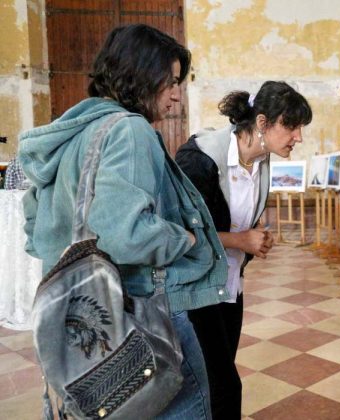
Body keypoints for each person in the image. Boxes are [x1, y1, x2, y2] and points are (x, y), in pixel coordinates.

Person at [18, 24, 228, 419]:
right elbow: (126, 235)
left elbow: (33, 228)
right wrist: (185, 238)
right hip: (138, 310)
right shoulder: (130, 130)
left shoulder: (74, 132)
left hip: (73, 318)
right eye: (171, 81)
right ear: (141, 75)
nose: (177, 93)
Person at [175, 82, 312, 419]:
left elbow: (237, 222)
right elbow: (181, 233)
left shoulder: (261, 161)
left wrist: (253, 240)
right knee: (222, 385)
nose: (299, 137)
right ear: (262, 123)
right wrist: (241, 241)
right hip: (197, 289)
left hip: (230, 285)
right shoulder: (200, 159)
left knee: (218, 376)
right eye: (291, 126)